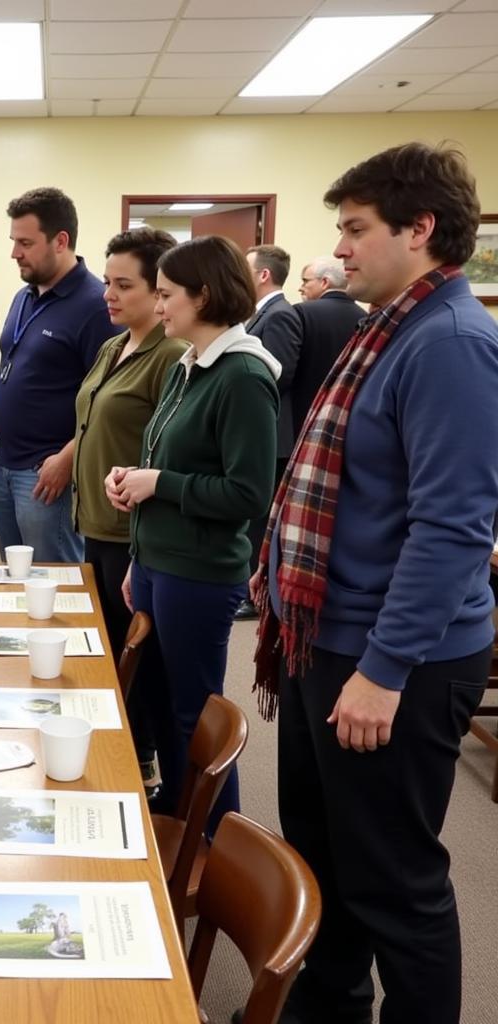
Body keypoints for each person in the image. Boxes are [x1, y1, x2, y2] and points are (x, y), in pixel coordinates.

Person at [249, 142, 498, 1024]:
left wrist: (384, 671)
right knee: (324, 856)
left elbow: (454, 532)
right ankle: (331, 1007)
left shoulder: (454, 343)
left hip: (397, 662)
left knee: (395, 881)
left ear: (420, 229)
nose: (341, 249)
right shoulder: (386, 330)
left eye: (355, 230)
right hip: (334, 639)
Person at [105, 235, 280, 835]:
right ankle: (180, 822)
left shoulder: (243, 375)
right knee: (163, 700)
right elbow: (167, 460)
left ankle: (214, 840)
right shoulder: (189, 364)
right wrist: (136, 494)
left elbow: (248, 495)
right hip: (159, 562)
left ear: (203, 296)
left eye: (166, 294)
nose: (158, 308)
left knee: (196, 716)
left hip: (199, 572)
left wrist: (160, 484)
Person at [71, 226, 186, 793]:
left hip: (130, 534)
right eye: (107, 283)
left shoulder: (170, 355)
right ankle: (123, 750)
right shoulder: (114, 345)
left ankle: (137, 764)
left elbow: (167, 447)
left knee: (136, 658)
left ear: (159, 290)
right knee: (108, 652)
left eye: (124, 285)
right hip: (95, 522)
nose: (108, 295)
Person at [0, 187, 110, 563]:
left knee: (54, 584)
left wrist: (67, 458)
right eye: (14, 241)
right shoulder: (25, 296)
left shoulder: (97, 306)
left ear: (60, 241)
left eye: (26, 243)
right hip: (5, 466)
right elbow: (16, 373)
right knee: (16, 584)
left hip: (47, 473)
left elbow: (105, 403)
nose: (15, 252)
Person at [237, 244, 302, 619]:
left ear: (263, 275)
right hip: (262, 432)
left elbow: (278, 372)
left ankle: (253, 596)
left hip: (273, 436)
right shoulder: (259, 314)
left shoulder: (280, 314)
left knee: (260, 520)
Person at [291, 258, 366, 433]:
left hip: (301, 417)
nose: (301, 287)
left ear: (324, 282)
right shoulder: (364, 318)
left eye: (305, 281)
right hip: (344, 417)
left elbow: (285, 370)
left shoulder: (301, 313)